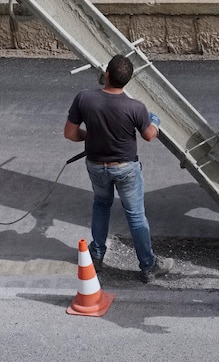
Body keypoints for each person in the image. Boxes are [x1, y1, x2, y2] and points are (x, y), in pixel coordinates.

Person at [63, 54, 174, 283]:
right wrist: (155, 121)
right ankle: (148, 265)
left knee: (101, 206)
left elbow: (70, 133)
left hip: (95, 166)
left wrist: (90, 135)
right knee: (135, 216)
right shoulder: (135, 107)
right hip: (125, 169)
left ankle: (96, 256)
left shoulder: (84, 98)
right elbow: (149, 136)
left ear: (107, 75)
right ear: (127, 81)